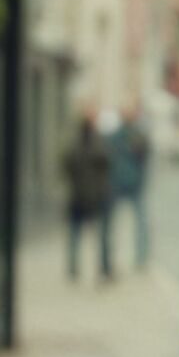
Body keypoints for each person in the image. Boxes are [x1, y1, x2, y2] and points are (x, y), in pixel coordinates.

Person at [61, 111, 113, 282]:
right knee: (98, 236)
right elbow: (106, 164)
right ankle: (102, 269)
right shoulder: (98, 145)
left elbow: (66, 166)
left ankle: (75, 268)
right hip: (93, 198)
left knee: (79, 236)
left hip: (80, 196)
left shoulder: (75, 145)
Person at [108, 103, 151, 269]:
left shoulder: (137, 136)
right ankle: (120, 259)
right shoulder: (120, 136)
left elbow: (144, 159)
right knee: (128, 223)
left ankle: (140, 257)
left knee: (140, 223)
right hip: (121, 184)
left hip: (131, 184)